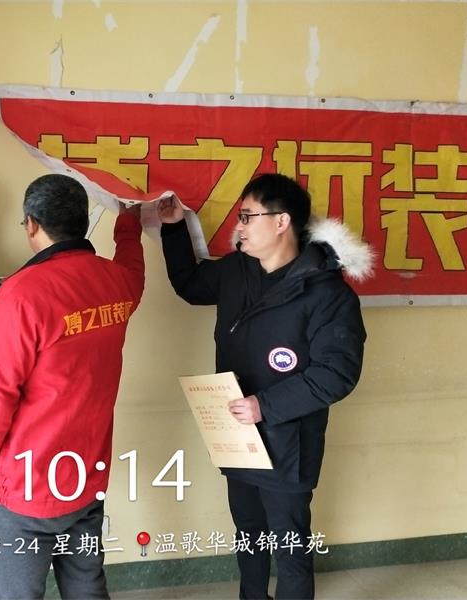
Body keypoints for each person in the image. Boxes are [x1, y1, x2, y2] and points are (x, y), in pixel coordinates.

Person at [157, 173, 370, 600]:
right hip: (237, 436)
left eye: (247, 216)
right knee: (248, 533)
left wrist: (264, 406)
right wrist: (174, 227)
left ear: (281, 221)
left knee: (290, 547)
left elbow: (337, 373)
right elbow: (190, 284)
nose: (239, 226)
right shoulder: (237, 271)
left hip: (288, 441)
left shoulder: (327, 293)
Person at [0, 174, 145, 600]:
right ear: (81, 221)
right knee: (87, 591)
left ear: (32, 224)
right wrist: (129, 224)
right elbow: (134, 270)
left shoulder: (20, 296)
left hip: (23, 492)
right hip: (84, 479)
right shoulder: (116, 283)